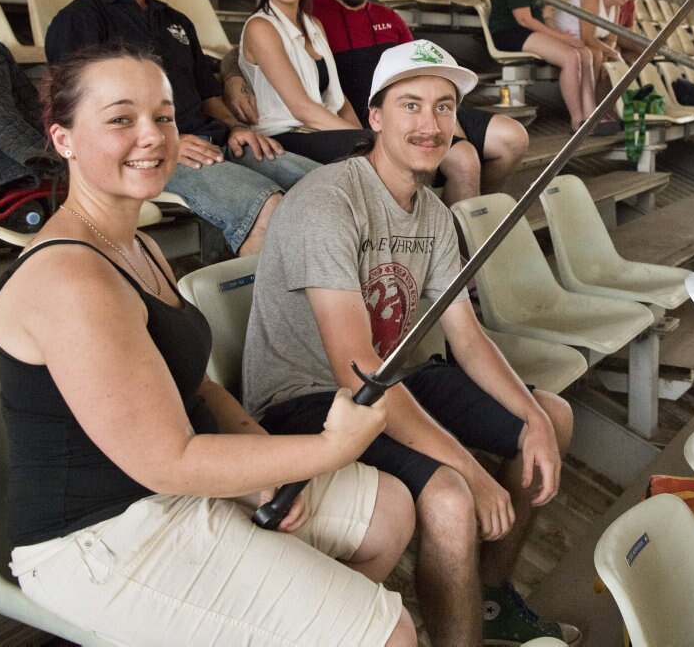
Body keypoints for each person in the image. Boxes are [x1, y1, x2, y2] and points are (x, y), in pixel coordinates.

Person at [0, 45, 415, 646]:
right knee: (391, 633)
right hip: (105, 533)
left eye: (163, 117)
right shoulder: (72, 280)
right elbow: (170, 460)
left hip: (178, 487)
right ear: (64, 140)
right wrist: (326, 449)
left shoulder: (139, 247)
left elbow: (195, 383)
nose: (152, 136)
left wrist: (256, 449)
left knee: (389, 510)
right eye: (120, 119)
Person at [241, 39, 578, 647]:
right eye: (411, 105)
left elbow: (467, 337)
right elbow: (354, 372)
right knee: (451, 495)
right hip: (307, 398)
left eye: (444, 107)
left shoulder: (431, 212)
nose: (430, 124)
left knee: (551, 417)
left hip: (391, 380)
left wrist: (531, 417)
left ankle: (493, 596)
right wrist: (469, 468)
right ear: (374, 116)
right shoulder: (329, 200)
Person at [46, 0, 314, 257]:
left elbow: (209, 98)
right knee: (268, 210)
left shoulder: (175, 21)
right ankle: (248, 312)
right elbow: (88, 121)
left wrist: (238, 128)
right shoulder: (79, 20)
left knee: (325, 187)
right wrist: (167, 141)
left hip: (217, 143)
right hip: (152, 153)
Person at [299, 0, 529, 204]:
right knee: (463, 158)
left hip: (423, 104)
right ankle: (460, 241)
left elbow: (426, 72)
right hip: (376, 116)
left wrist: (449, 120)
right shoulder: (311, 14)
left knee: (513, 138)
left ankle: (474, 214)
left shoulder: (389, 17)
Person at [238, 0, 371, 163]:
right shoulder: (260, 27)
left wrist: (363, 134)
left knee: (385, 152)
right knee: (371, 153)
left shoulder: (315, 25)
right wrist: (364, 138)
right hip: (283, 136)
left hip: (318, 130)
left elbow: (338, 97)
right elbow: (301, 108)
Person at [487, 0, 605, 133]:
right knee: (571, 57)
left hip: (529, 30)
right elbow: (523, 19)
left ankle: (591, 114)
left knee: (585, 53)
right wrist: (561, 38)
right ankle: (577, 121)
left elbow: (545, 13)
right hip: (509, 31)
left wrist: (563, 35)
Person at [552, 0, 638, 73]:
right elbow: (587, 38)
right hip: (562, 37)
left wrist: (609, 54)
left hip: (581, 42)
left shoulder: (616, 5)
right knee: (598, 55)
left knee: (605, 58)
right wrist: (613, 54)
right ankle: (591, 89)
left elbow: (612, 39)